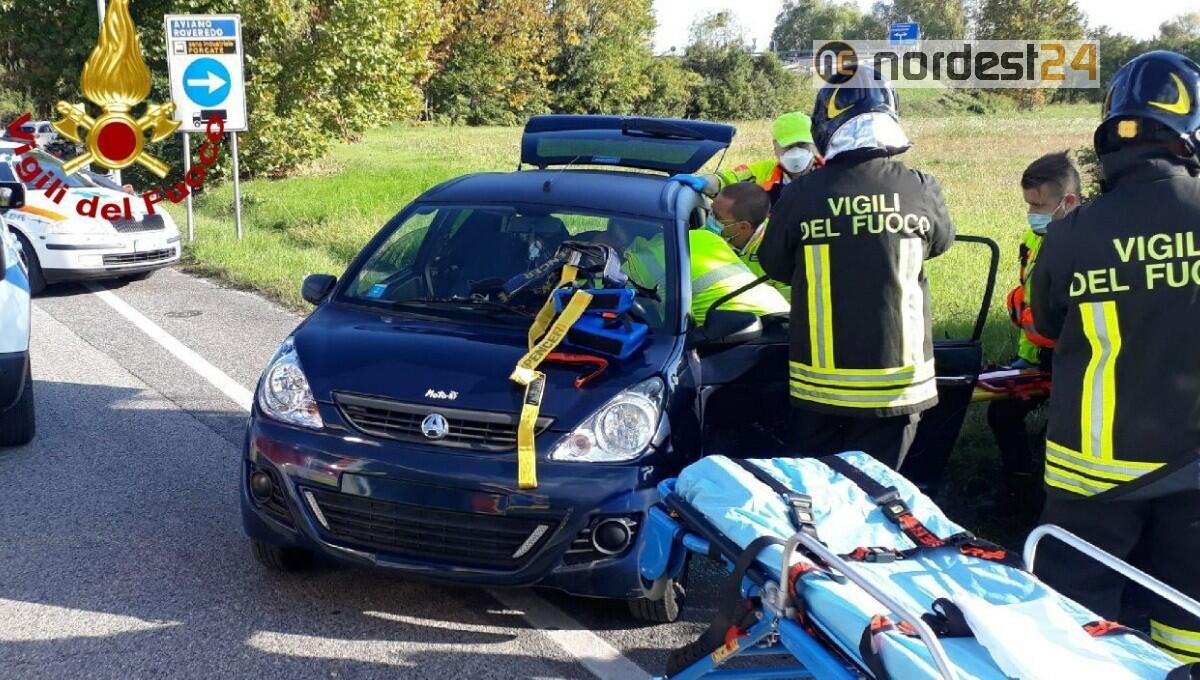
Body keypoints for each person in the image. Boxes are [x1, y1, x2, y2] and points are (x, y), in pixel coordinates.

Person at [1030, 50, 1200, 659]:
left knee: (1074, 625)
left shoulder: (1073, 231)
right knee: (1189, 619)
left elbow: (1044, 326)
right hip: (1194, 464)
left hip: (1091, 469)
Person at [757, 65, 955, 470]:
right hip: (897, 389)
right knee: (880, 492)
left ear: (825, 126)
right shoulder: (920, 187)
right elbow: (941, 243)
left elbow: (773, 264)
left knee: (819, 492)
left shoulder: (802, 195)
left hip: (821, 390)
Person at [987, 151, 1081, 507]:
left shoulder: (1085, 244)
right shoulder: (1034, 238)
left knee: (1059, 430)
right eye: (1029, 204)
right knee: (1002, 413)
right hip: (1036, 356)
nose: (1032, 213)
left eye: (1039, 204)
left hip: (1071, 359)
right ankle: (1019, 490)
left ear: (1068, 201)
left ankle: (1048, 499)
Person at [612, 219, 789, 325]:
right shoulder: (707, 236)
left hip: (750, 333)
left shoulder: (637, 263)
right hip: (783, 316)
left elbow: (598, 297)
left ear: (620, 243)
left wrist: (601, 257)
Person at [669, 112, 822, 204]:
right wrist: (703, 182)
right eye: (788, 146)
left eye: (802, 144)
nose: (796, 152)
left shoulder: (834, 174)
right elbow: (728, 180)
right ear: (775, 147)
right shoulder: (762, 173)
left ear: (815, 143)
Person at [706, 182, 791, 298]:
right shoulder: (707, 235)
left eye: (717, 217)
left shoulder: (783, 255)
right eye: (711, 210)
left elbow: (787, 308)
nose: (709, 218)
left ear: (743, 227)